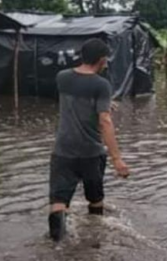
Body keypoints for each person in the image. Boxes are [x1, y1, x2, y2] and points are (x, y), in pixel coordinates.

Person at [48, 39, 131, 241]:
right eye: (106, 59)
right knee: (95, 199)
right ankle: (94, 243)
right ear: (102, 59)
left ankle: (56, 244)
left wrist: (103, 104)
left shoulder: (62, 77)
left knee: (59, 201)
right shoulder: (101, 85)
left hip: (63, 151)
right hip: (91, 153)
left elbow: (75, 102)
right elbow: (105, 122)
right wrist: (117, 159)